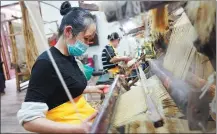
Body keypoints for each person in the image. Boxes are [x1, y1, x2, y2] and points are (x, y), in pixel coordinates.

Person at [17, 2, 108, 133]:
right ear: (68, 31)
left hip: (85, 120)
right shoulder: (45, 63)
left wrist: (93, 88)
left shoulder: (70, 57)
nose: (87, 44)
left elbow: (64, 89)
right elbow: (28, 120)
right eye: (86, 38)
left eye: (90, 40)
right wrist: (76, 128)